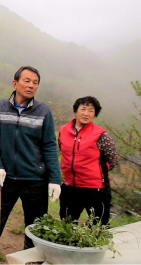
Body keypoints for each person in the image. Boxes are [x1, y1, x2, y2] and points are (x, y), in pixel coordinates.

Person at [0, 66, 61, 263]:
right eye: (27, 80)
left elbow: (49, 146)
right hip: (5, 180)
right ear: (15, 83)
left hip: (35, 181)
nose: (31, 85)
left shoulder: (43, 112)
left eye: (35, 82)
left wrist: (55, 178)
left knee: (35, 230)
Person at [58, 96, 118, 225]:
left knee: (98, 227)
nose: (86, 113)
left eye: (91, 110)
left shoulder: (101, 135)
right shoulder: (63, 131)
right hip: (70, 187)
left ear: (95, 114)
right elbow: (61, 150)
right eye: (83, 109)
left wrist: (98, 170)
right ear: (75, 111)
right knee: (66, 224)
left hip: (95, 189)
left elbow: (112, 159)